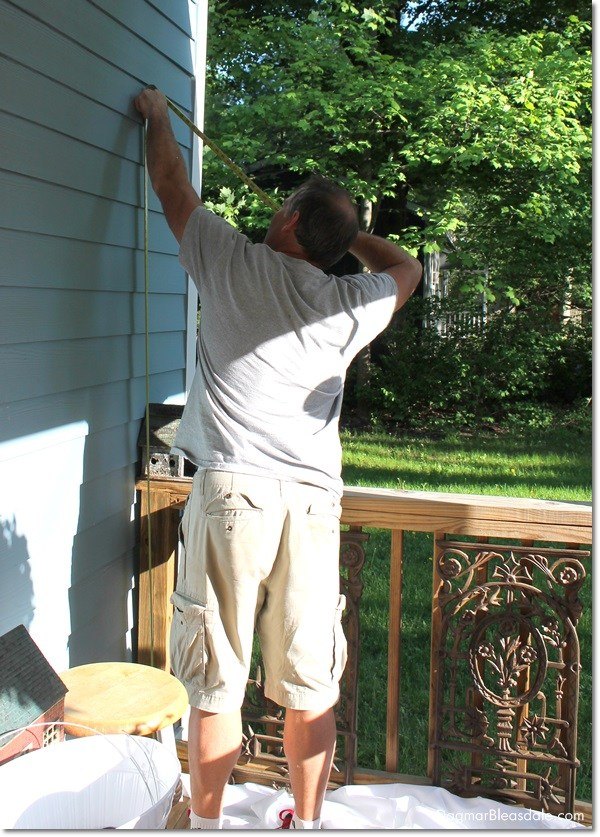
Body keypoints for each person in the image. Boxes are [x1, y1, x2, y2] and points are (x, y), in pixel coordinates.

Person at [134, 86, 422, 830]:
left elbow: (170, 183)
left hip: (235, 493)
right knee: (310, 681)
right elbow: (408, 269)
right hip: (313, 503)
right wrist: (346, 238)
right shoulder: (347, 301)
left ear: (289, 219)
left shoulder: (232, 259)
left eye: (283, 209)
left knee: (217, 681)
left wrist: (158, 116)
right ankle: (310, 818)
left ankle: (205, 821)